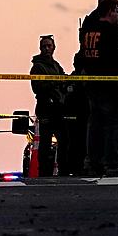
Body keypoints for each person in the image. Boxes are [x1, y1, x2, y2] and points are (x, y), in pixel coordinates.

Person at [78, 0, 118, 177]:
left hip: (93, 82)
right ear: (110, 11)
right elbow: (115, 60)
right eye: (116, 9)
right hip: (109, 84)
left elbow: (83, 55)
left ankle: (94, 162)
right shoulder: (110, 31)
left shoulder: (89, 28)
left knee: (95, 124)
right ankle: (113, 162)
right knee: (114, 124)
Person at [29, 35, 68, 177]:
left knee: (64, 140)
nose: (46, 48)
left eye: (49, 46)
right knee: (45, 142)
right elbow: (37, 88)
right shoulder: (37, 67)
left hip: (58, 108)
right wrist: (55, 83)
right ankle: (44, 172)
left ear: (54, 47)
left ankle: (64, 170)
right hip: (45, 108)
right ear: (40, 48)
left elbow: (64, 79)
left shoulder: (56, 65)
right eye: (44, 46)